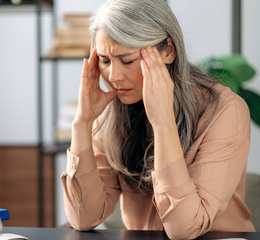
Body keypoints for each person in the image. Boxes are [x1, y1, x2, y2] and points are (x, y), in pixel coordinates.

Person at [61, 0, 255, 239]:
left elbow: (184, 228)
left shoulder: (225, 111)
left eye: (128, 60)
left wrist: (163, 124)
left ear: (169, 51)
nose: (113, 76)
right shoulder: (113, 113)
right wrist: (82, 123)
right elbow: (84, 217)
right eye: (105, 60)